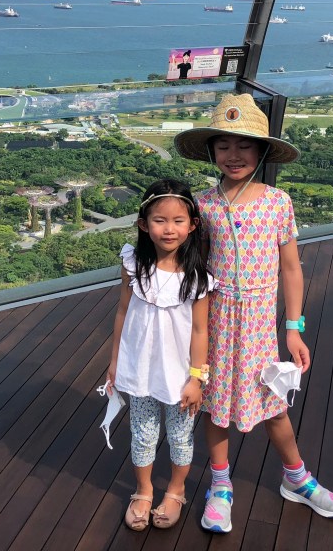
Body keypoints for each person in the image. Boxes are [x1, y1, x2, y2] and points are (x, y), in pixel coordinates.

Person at [173, 93, 333, 534]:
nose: (233, 155)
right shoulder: (202, 205)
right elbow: (192, 267)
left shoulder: (277, 202)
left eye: (244, 146)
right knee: (215, 406)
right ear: (211, 151)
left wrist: (294, 329)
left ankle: (297, 478)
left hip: (257, 327)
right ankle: (220, 486)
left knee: (273, 404)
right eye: (223, 145)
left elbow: (291, 268)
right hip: (214, 321)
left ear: (262, 151)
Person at [106, 178, 215, 531]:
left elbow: (200, 331)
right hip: (139, 370)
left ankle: (176, 490)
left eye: (178, 220)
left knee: (181, 436)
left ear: (192, 225)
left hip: (180, 375)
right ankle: (143, 491)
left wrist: (197, 378)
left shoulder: (197, 277)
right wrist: (114, 362)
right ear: (143, 224)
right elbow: (122, 312)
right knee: (142, 433)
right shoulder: (133, 264)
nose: (169, 229)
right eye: (160, 220)